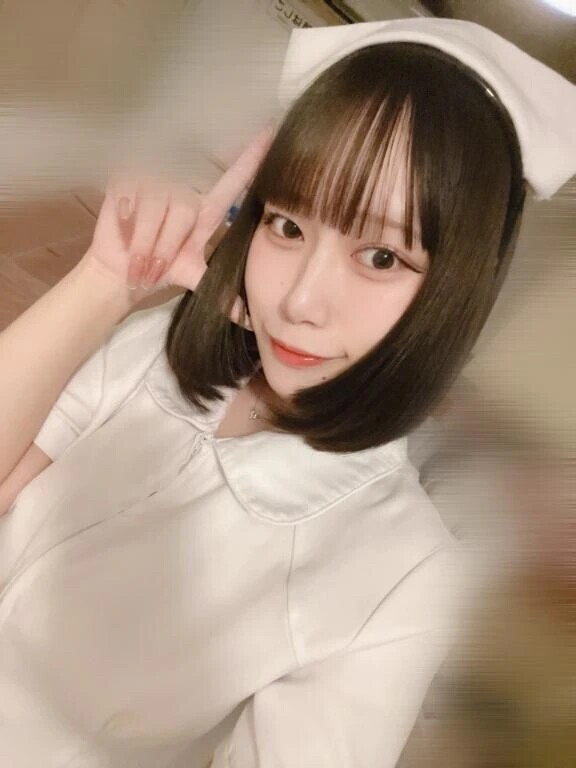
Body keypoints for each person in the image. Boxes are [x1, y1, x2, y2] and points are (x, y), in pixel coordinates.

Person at [0, 18, 574, 768]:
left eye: (380, 256)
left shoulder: (398, 576)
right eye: (288, 225)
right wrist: (104, 284)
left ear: (455, 290)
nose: (300, 300)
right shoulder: (158, 350)